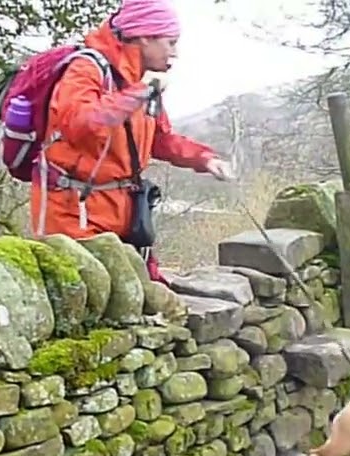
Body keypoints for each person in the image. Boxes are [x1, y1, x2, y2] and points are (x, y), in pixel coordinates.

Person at [28, 0, 233, 283]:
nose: (175, 52)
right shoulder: (87, 70)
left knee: (141, 292)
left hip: (124, 210)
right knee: (85, 293)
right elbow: (78, 122)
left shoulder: (142, 83)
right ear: (145, 37)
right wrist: (135, 96)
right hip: (73, 208)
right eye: (171, 42)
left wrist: (204, 158)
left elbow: (159, 139)